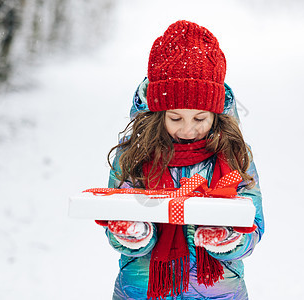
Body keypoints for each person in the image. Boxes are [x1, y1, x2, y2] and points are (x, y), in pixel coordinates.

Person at [98, 20, 265, 299]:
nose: (188, 130)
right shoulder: (134, 155)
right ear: (157, 114)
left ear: (216, 114)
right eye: (175, 118)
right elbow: (117, 224)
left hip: (219, 292)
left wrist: (231, 239)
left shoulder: (233, 154)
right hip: (144, 290)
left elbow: (255, 223)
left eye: (200, 118)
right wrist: (132, 233)